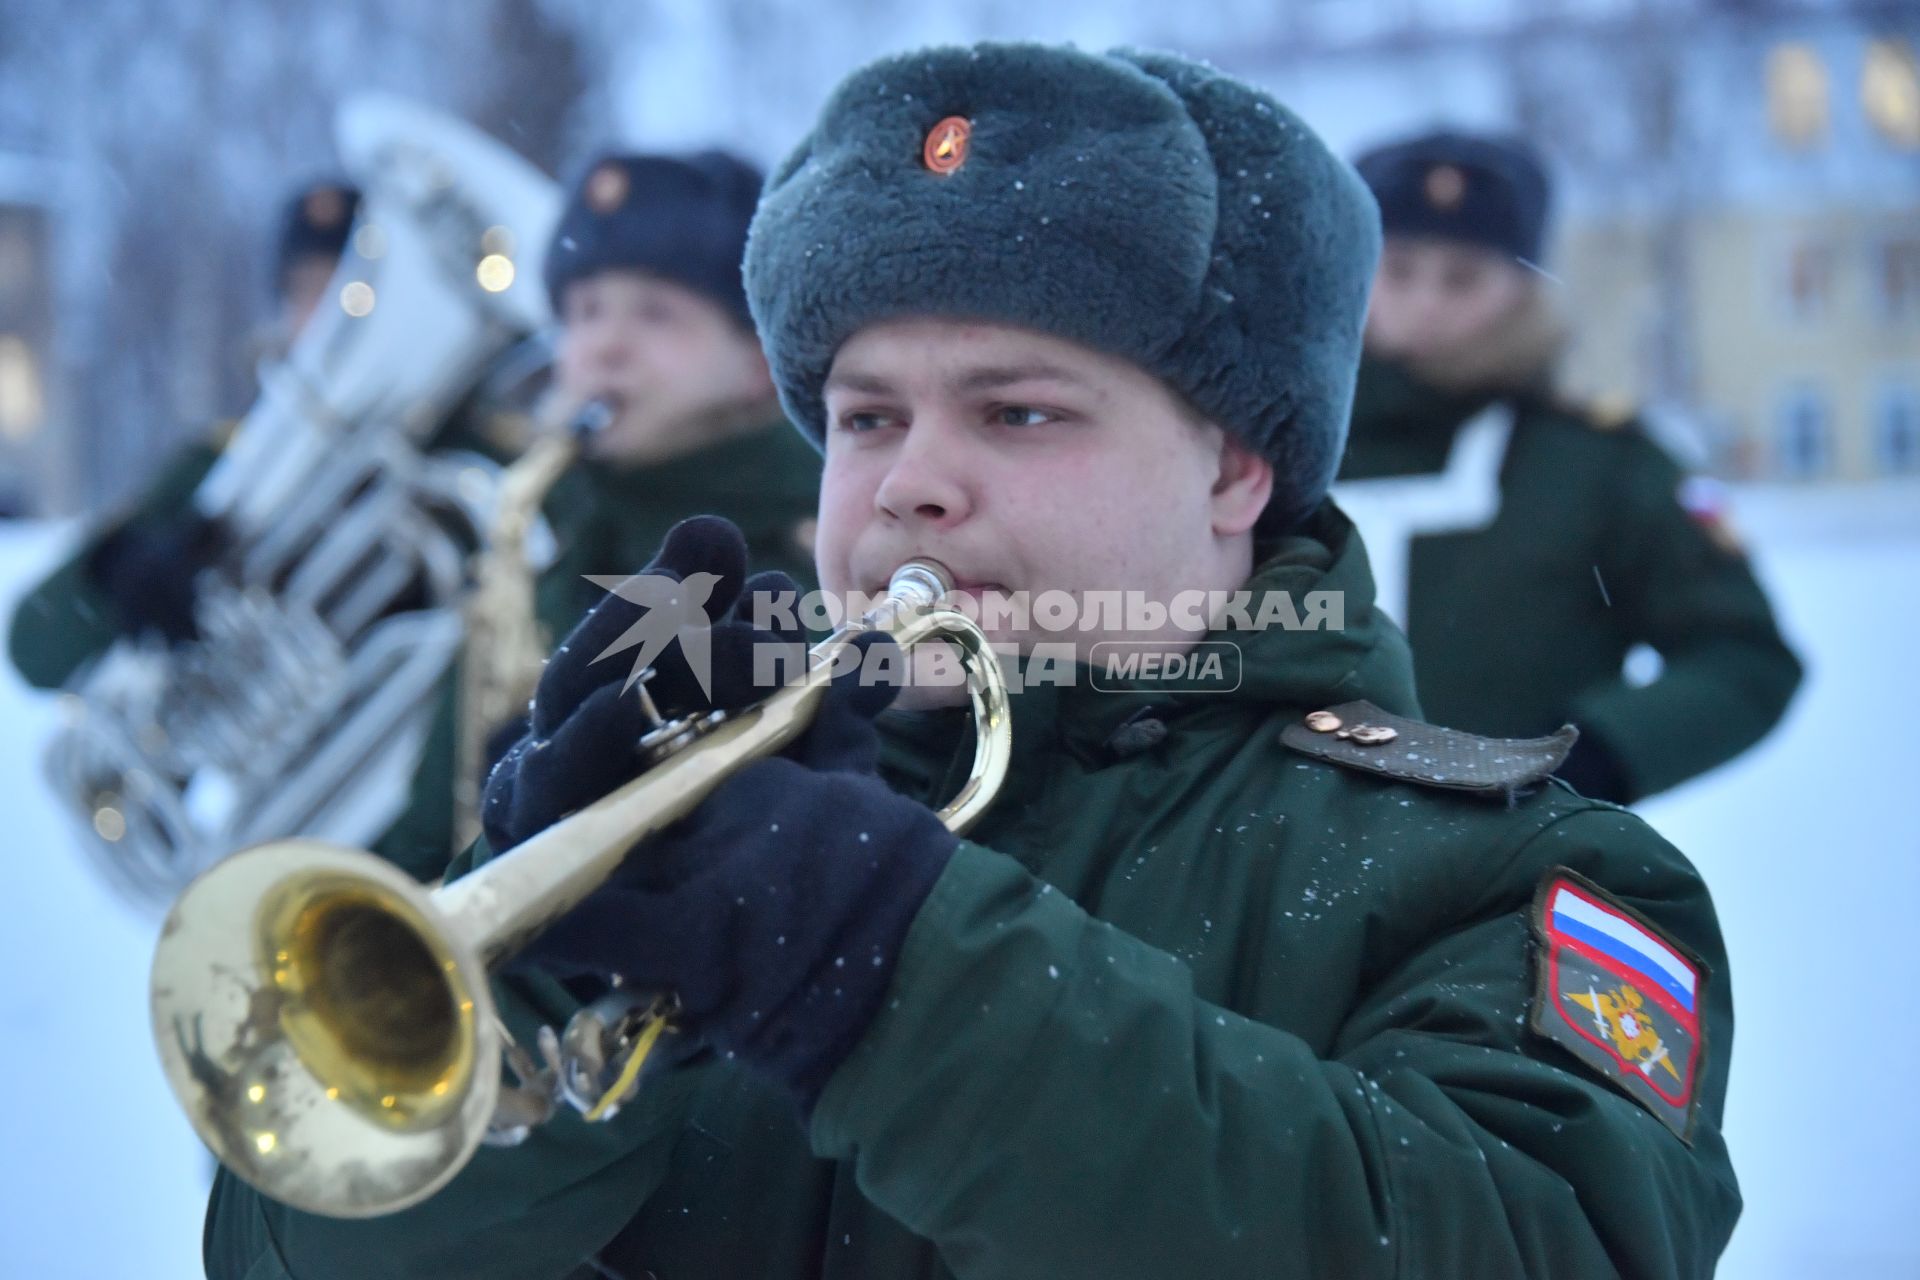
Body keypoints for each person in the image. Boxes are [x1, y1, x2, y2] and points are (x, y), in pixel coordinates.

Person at [206, 45, 1740, 1278]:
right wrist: (547, 969)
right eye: (867, 418)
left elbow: (1532, 1244)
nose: (905, 483)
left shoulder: (1519, 875)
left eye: (1018, 412)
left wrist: (891, 970)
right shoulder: (722, 829)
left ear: (1237, 474)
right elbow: (291, 1247)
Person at [369, 149, 823, 878]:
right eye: (582, 312)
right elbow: (427, 829)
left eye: (656, 313)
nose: (605, 345)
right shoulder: (541, 539)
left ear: (758, 360)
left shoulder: (809, 559)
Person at [1337, 129, 1802, 804]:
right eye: (1400, 269)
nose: (1426, 302)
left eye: (1463, 277)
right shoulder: (1272, 454)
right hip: (1280, 879)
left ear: (1522, 286)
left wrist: (1596, 757)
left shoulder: (1600, 465)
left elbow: (1744, 658)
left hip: (1509, 877)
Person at [6, 179, 365, 688]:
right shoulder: (220, 462)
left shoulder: (462, 470)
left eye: (348, 288)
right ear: (281, 308)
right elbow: (35, 646)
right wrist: (121, 568)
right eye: (305, 289)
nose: (327, 310)